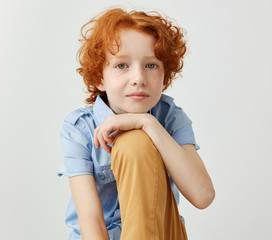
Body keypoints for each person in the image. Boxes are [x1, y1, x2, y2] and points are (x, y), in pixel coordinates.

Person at [58, 8, 215, 240]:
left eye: (151, 66)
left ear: (165, 75)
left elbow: (202, 196)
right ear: (98, 78)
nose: (139, 78)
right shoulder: (80, 128)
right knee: (133, 143)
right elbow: (90, 219)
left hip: (163, 233)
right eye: (122, 66)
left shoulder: (170, 117)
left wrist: (148, 122)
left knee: (138, 140)